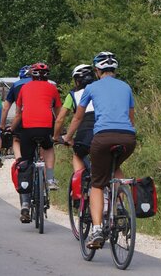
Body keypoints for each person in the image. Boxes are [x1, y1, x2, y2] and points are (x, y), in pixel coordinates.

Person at [64, 52, 137, 250]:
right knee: (116, 167)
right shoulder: (126, 87)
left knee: (97, 182)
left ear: (97, 71)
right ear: (114, 70)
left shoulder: (91, 87)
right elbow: (131, 118)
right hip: (128, 138)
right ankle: (121, 206)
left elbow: (78, 118)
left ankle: (96, 229)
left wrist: (68, 137)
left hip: (103, 137)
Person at [12, 62, 61, 222]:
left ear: (31, 76)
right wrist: (59, 132)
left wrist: (12, 129)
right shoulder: (53, 89)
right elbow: (58, 113)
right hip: (46, 128)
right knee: (48, 147)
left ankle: (25, 204)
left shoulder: (24, 88)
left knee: (26, 163)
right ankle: (50, 178)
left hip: (27, 129)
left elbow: (18, 113)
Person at [53, 64, 97, 173]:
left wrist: (56, 137)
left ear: (77, 81)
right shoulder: (102, 90)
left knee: (77, 155)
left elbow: (60, 119)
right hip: (106, 130)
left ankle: (79, 187)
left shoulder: (73, 95)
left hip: (86, 131)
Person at [0, 65, 33, 159]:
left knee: (16, 139)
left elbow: (6, 108)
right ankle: (43, 163)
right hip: (42, 120)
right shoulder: (40, 83)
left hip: (22, 118)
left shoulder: (16, 85)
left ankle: (19, 161)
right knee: (44, 143)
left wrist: (2, 125)